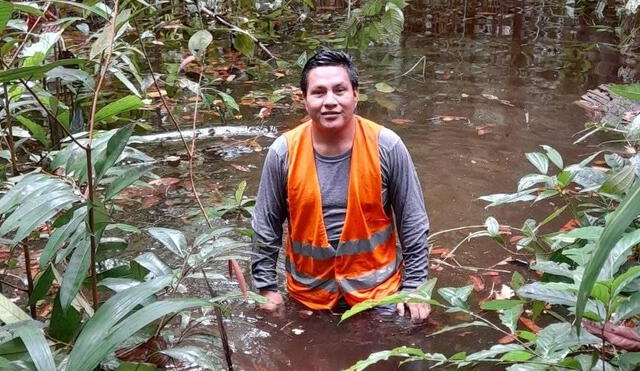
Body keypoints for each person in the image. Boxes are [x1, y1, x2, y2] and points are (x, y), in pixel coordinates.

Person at [250, 49, 431, 320]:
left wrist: (415, 287)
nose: (330, 101)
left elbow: (413, 223)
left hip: (379, 294)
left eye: (340, 90)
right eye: (319, 92)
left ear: (355, 94)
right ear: (304, 99)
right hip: (308, 294)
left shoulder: (387, 146)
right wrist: (266, 288)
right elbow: (266, 225)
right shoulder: (283, 152)